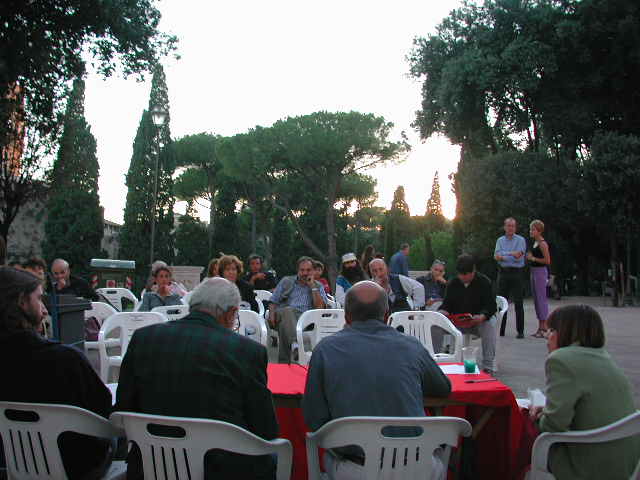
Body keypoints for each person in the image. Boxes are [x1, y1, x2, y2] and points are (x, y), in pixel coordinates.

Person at [115, 277, 279, 480]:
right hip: (225, 471)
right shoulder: (247, 351)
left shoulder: (143, 338)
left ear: (192, 306)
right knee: (275, 457)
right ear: (231, 313)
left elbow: (123, 409)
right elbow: (266, 429)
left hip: (151, 468)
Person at [302, 280, 452, 479]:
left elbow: (314, 418)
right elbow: (443, 388)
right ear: (387, 315)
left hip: (355, 469)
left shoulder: (325, 350)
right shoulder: (412, 346)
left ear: (346, 316)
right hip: (416, 468)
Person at [0, 267, 114, 479]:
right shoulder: (66, 360)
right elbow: (104, 411)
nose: (44, 310)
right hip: (74, 468)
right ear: (22, 302)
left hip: (10, 464)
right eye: (38, 299)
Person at [529, 305, 639, 480]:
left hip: (589, 465)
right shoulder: (603, 358)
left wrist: (537, 416)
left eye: (550, 330)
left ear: (563, 332)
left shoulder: (561, 359)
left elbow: (553, 425)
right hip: (626, 465)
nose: (547, 337)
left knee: (523, 437)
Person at [439, 254, 497, 374]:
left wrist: (482, 316)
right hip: (458, 323)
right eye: (460, 274)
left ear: (473, 271)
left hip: (478, 322)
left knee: (489, 325)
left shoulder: (484, 282)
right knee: (436, 325)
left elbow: (491, 306)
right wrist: (442, 313)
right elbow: (446, 305)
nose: (463, 277)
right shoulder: (453, 283)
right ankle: (436, 362)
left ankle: (488, 366)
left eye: (466, 274)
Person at [268, 256, 328, 362]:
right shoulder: (287, 281)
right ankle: (295, 343)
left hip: (307, 320)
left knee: (284, 326)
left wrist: (312, 287)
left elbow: (320, 308)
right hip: (285, 313)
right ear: (298, 270)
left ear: (313, 271)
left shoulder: (318, 286)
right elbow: (273, 301)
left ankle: (284, 363)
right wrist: (271, 315)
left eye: (308, 270)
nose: (305, 273)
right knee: (287, 311)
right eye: (302, 270)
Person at [494, 217, 527, 339]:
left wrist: (504, 254)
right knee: (502, 302)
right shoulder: (500, 240)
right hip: (503, 273)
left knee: (519, 302)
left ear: (515, 227)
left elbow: (519, 256)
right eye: (508, 226)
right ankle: (500, 330)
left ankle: (520, 331)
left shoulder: (521, 240)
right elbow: (496, 256)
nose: (510, 228)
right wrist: (511, 254)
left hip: (516, 273)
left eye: (513, 226)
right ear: (504, 227)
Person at [527, 220, 551, 337]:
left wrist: (533, 259)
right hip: (533, 271)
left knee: (541, 299)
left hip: (540, 272)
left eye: (533, 229)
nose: (531, 231)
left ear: (539, 231)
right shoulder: (535, 243)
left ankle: (545, 328)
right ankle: (540, 327)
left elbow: (547, 261)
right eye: (530, 229)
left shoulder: (542, 243)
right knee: (536, 300)